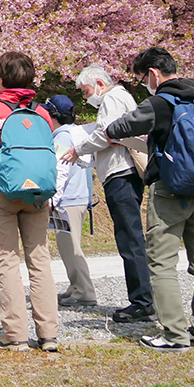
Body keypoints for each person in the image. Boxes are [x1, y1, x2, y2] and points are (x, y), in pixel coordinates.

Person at [104, 48, 194, 352]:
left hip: (170, 190)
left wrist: (113, 131)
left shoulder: (159, 103)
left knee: (161, 263)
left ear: (153, 74)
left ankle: (174, 334)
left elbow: (120, 127)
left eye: (143, 79)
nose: (144, 84)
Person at [0, 51, 60, 352]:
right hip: (37, 195)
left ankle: (15, 334)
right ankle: (48, 335)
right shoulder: (41, 112)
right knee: (40, 260)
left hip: (2, 191)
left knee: (7, 262)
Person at [61, 64, 153, 323]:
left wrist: (79, 148)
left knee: (129, 238)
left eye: (87, 91)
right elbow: (110, 137)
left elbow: (107, 133)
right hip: (123, 171)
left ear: (100, 83)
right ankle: (143, 298)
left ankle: (142, 302)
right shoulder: (123, 97)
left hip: (120, 173)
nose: (86, 97)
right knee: (130, 236)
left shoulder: (112, 98)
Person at [44, 95, 97, 308]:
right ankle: (75, 286)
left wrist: (52, 199)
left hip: (69, 199)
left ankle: (85, 291)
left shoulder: (62, 137)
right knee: (67, 245)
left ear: (53, 116)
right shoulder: (77, 132)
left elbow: (60, 170)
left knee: (71, 247)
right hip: (78, 197)